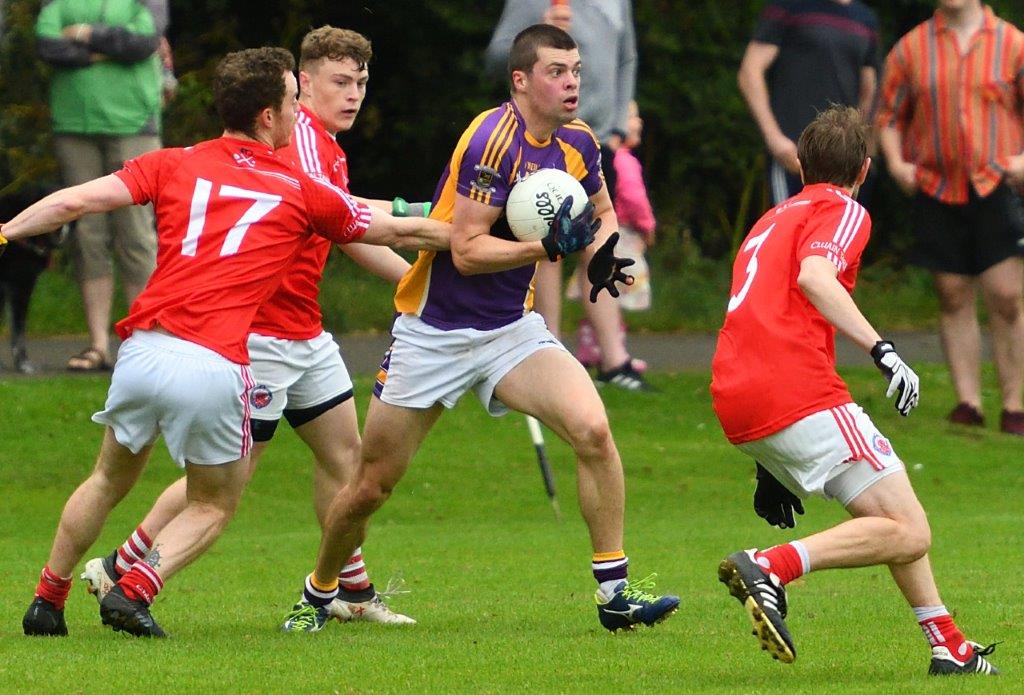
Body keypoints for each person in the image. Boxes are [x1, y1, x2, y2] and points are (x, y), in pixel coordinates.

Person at [9, 46, 450, 638]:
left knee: (107, 478)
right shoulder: (297, 186)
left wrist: (7, 231)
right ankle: (134, 587)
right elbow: (398, 227)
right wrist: (491, 230)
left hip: (142, 348)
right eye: (295, 100)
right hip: (217, 360)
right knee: (213, 502)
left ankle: (47, 600)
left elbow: (75, 201)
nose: (300, 113)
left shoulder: (173, 161)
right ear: (268, 116)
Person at [280, 24, 678, 633]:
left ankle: (615, 594)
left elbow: (599, 213)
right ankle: (320, 592)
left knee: (593, 429)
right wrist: (546, 247)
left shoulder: (579, 142)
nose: (571, 81)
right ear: (520, 80)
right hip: (433, 331)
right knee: (369, 487)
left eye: (575, 70)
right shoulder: (491, 141)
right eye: (556, 71)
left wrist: (600, 253)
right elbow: (464, 251)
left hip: (508, 330)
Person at [711, 105, 999, 675]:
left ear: (798, 164)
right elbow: (815, 278)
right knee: (911, 529)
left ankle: (949, 646)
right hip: (795, 388)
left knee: (892, 516)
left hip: (736, 394)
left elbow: (763, 314)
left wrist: (769, 465)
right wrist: (883, 350)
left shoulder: (769, 220)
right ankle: (772, 566)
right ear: (865, 170)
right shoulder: (842, 208)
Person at [877, 0, 1024, 435]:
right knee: (952, 292)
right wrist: (896, 162)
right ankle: (968, 402)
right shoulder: (911, 48)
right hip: (936, 185)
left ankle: (1015, 404)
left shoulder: (1012, 44)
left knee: (1006, 296)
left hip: (996, 183)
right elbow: (886, 116)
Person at [485, 0, 649, 390]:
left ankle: (614, 360)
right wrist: (540, 28)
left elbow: (627, 58)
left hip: (596, 135)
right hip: (542, 132)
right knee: (548, 238)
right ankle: (547, 351)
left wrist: (617, 122)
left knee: (598, 232)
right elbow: (496, 58)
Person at [35, 0, 170, 372]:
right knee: (87, 235)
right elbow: (47, 45)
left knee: (137, 236)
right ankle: (97, 346)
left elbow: (142, 42)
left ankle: (145, 344)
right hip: (74, 125)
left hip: (134, 125)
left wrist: (83, 34)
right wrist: (107, 50)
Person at [738, 0, 879, 206]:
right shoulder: (789, 6)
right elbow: (750, 72)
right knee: (790, 233)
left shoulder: (865, 19)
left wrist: (865, 147)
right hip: (795, 154)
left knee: (836, 235)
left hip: (843, 158)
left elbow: (870, 90)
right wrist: (774, 139)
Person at [570, 100, 655, 367]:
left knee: (600, 292)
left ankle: (591, 344)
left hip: (605, 232)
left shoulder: (606, 159)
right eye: (631, 117)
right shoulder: (625, 161)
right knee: (612, 292)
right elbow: (633, 197)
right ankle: (611, 351)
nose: (637, 122)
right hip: (623, 234)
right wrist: (648, 226)